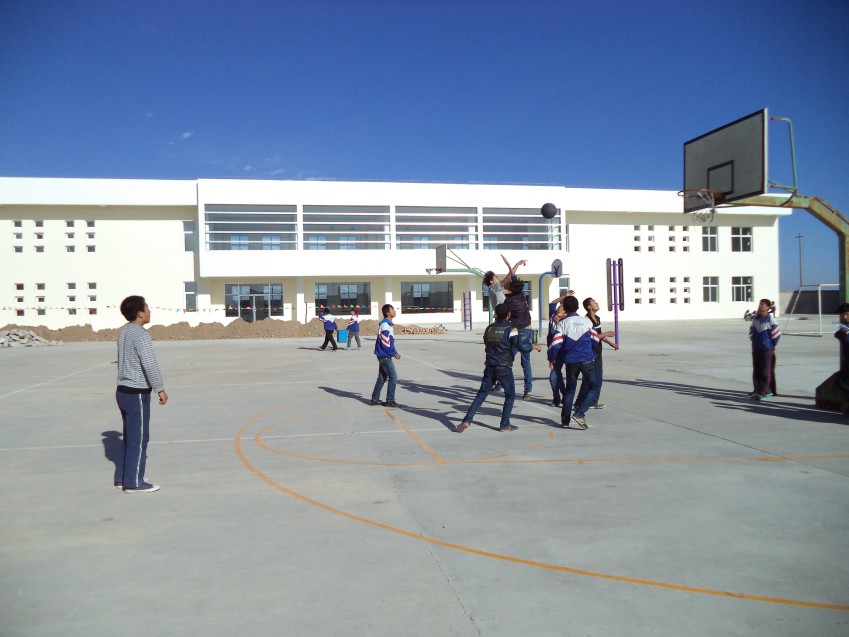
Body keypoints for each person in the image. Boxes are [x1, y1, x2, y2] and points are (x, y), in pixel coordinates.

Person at [456, 303, 541, 433]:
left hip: (490, 365)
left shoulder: (489, 328)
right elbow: (520, 346)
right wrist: (533, 346)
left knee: (481, 394)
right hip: (504, 366)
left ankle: (466, 420)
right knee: (510, 395)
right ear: (509, 314)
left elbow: (487, 342)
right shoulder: (512, 329)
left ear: (495, 314)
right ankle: (504, 424)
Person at [115, 296, 168, 493]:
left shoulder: (124, 332)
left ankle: (123, 478)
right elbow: (149, 363)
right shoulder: (141, 335)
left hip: (122, 390)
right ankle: (134, 482)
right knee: (139, 439)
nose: (149, 311)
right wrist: (159, 388)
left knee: (129, 438)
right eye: (147, 308)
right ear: (139, 313)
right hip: (136, 392)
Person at [557, 295, 615, 429]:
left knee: (570, 391)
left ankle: (565, 421)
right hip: (587, 359)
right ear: (578, 307)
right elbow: (594, 340)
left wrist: (553, 358)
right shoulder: (586, 321)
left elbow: (556, 344)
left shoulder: (562, 323)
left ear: (565, 309)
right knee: (594, 386)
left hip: (571, 361)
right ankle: (579, 412)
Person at [575, 297, 619, 410]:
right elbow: (591, 337)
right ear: (589, 307)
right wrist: (607, 333)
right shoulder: (586, 321)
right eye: (594, 302)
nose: (597, 303)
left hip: (598, 352)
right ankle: (579, 402)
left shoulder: (597, 319)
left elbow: (599, 335)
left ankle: (593, 401)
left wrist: (610, 343)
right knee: (588, 379)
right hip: (590, 353)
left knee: (598, 378)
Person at [504, 278, 534, 400]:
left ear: (511, 290)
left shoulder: (508, 302)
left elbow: (505, 314)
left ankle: (503, 384)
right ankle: (528, 390)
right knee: (526, 362)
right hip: (527, 329)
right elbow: (515, 280)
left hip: (516, 331)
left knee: (508, 359)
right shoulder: (522, 296)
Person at [746, 298, 780, 400]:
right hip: (756, 349)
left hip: (766, 349)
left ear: (768, 307)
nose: (760, 306)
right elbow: (751, 332)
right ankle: (757, 390)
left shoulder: (771, 320)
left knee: (765, 371)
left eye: (762, 304)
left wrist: (770, 345)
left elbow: (776, 335)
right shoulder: (756, 319)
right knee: (757, 371)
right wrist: (754, 341)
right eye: (760, 304)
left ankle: (765, 391)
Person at [371, 304, 401, 407]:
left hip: (383, 354)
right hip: (385, 355)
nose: (394, 311)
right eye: (392, 309)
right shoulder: (385, 324)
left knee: (382, 377)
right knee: (393, 377)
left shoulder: (388, 324)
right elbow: (385, 342)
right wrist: (394, 353)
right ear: (388, 313)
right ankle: (390, 400)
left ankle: (375, 399)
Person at [547, 304, 566, 406]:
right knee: (558, 375)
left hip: (562, 352)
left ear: (565, 314)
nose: (559, 310)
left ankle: (557, 398)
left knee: (553, 377)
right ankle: (564, 396)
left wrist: (558, 323)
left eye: (562, 309)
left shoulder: (565, 322)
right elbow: (552, 304)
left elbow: (566, 335)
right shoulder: (552, 319)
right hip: (553, 351)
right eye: (559, 308)